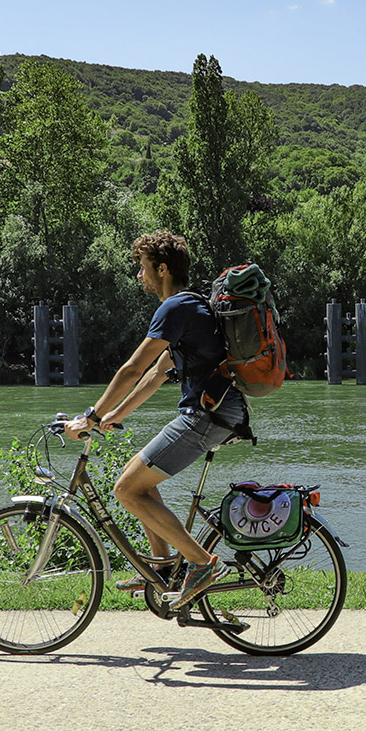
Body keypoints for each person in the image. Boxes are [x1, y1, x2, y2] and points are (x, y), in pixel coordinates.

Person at [65, 230, 247, 610]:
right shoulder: (190, 305)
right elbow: (156, 375)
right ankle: (164, 568)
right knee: (138, 478)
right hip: (212, 410)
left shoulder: (175, 307)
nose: (139, 276)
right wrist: (112, 416)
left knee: (127, 491)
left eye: (143, 268)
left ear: (162, 269)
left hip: (208, 413)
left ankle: (202, 563)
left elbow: (133, 369)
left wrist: (91, 416)